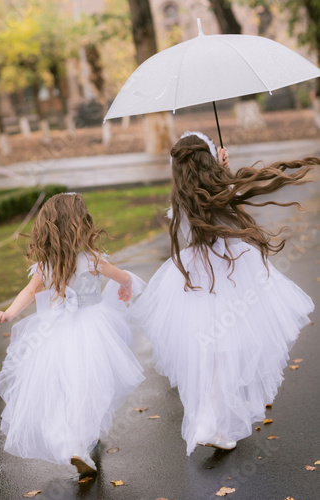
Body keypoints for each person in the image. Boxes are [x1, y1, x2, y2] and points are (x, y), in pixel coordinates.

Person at [132, 131, 317, 456]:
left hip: (198, 279)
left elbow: (206, 210)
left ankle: (213, 420)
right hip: (232, 275)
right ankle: (209, 422)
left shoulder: (182, 201)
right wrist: (225, 173)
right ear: (207, 160)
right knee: (230, 350)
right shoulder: (219, 189)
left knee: (214, 354)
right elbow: (227, 201)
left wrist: (223, 172)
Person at [0, 193, 145, 475]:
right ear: (81, 224)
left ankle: (73, 439)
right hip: (93, 331)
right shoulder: (93, 259)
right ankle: (77, 442)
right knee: (89, 385)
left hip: (54, 333)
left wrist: (10, 313)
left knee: (66, 387)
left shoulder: (47, 265)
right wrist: (126, 286)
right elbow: (123, 277)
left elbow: (28, 292)